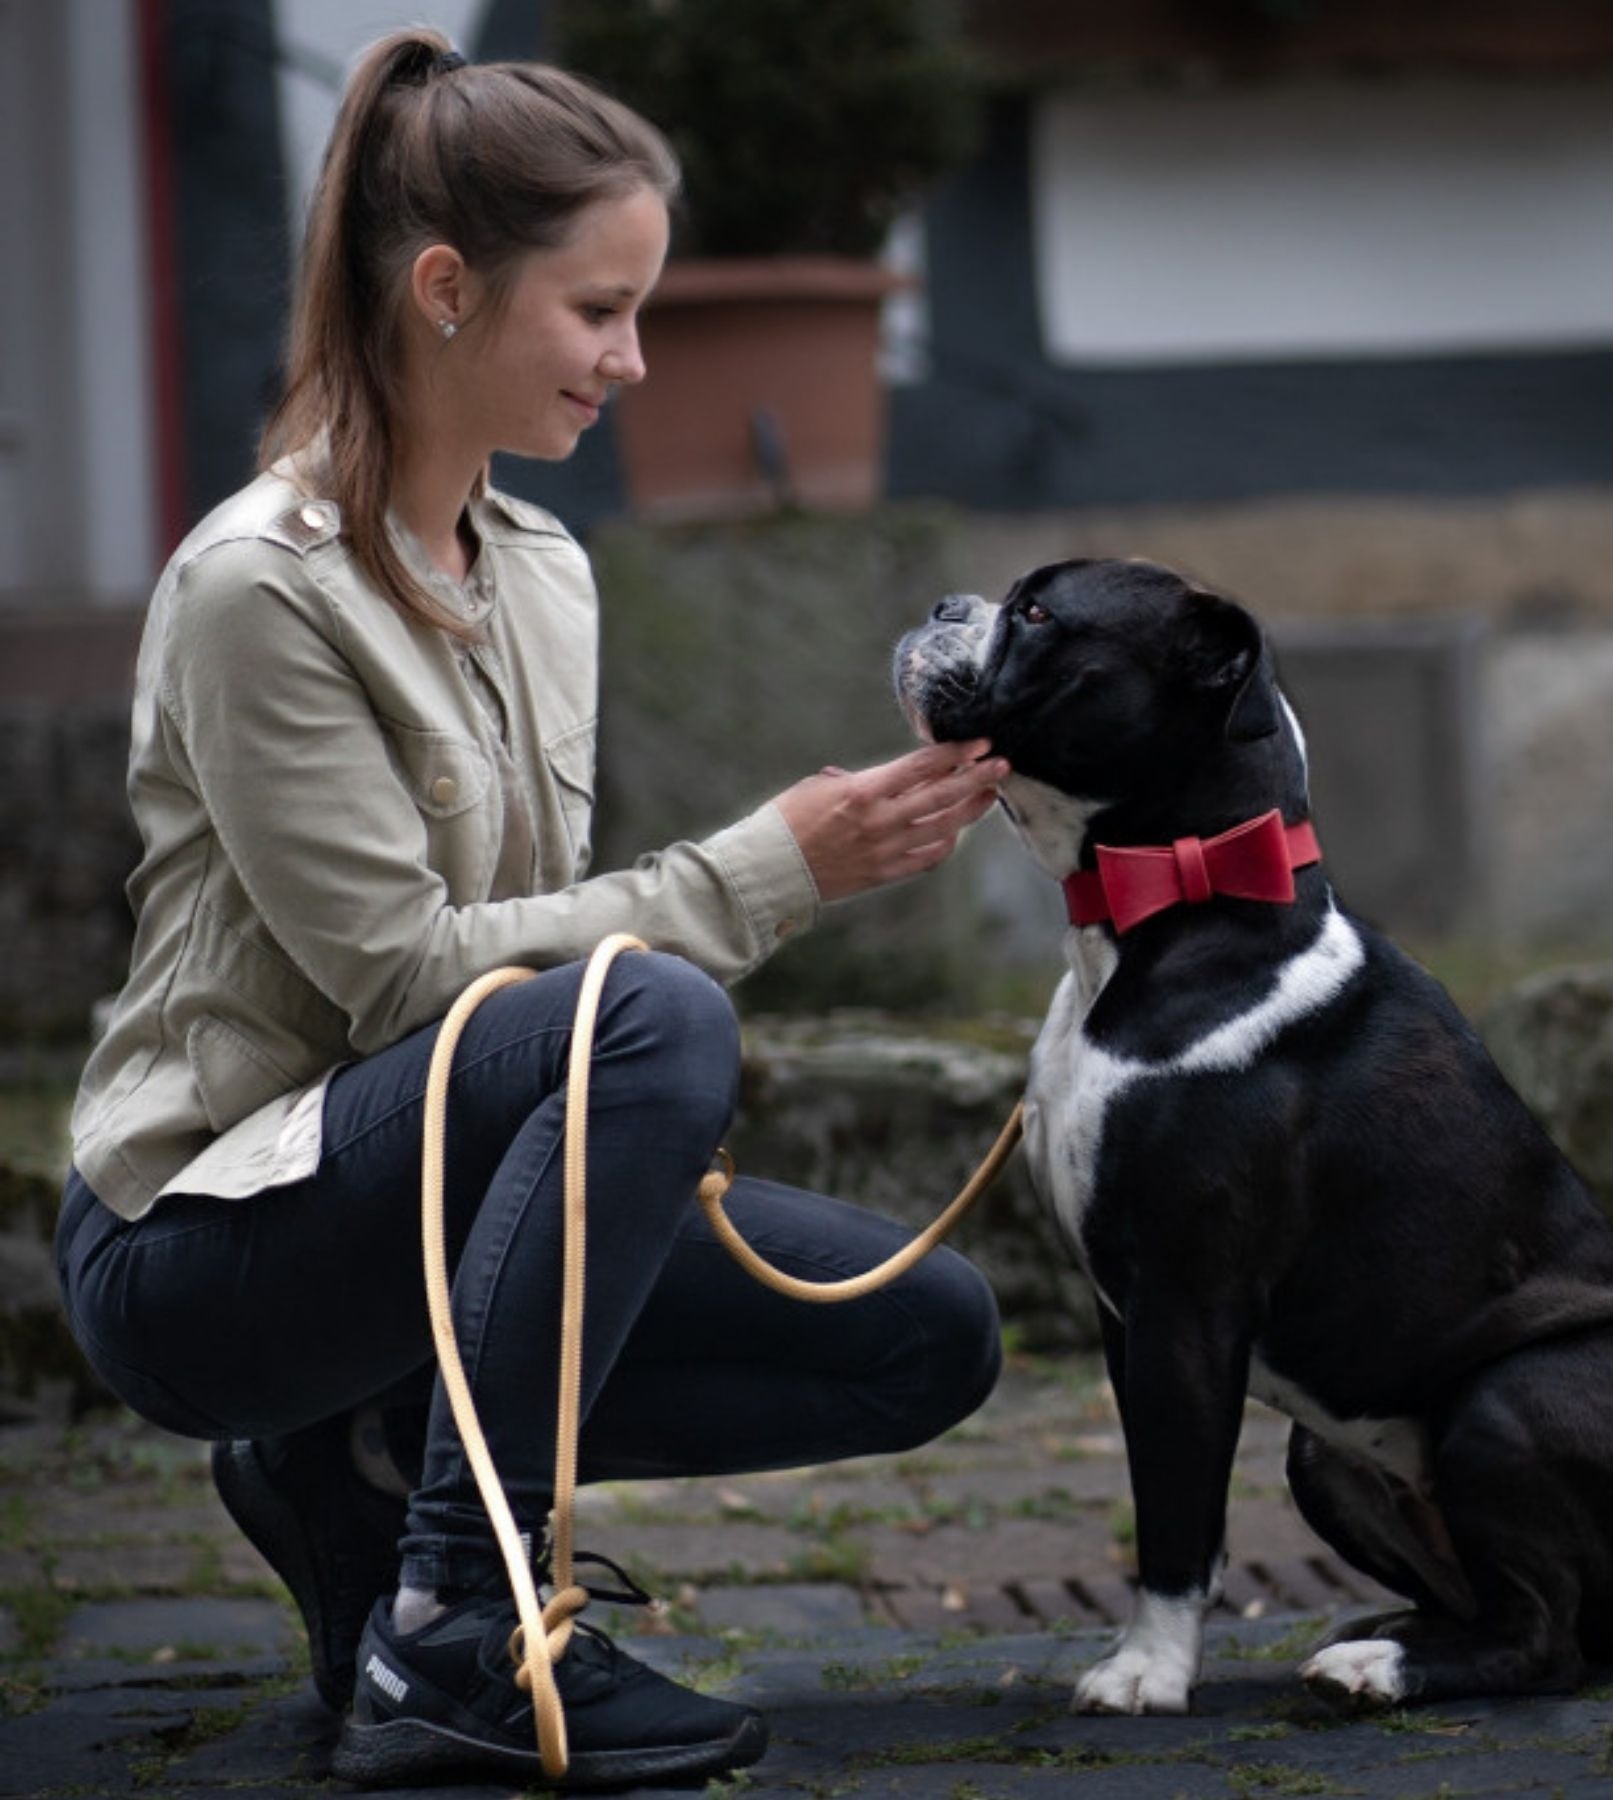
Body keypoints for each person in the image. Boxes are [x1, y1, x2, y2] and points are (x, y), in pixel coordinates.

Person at [54, 29, 1008, 1792]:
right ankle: (451, 1627)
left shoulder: (548, 572)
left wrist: (799, 863)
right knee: (655, 1013)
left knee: (922, 1339)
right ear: (442, 289)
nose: (638, 361)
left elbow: (535, 968)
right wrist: (772, 867)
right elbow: (403, 981)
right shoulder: (256, 593)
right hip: (208, 1247)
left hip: (420, 1201)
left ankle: (356, 1461)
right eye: (598, 312)